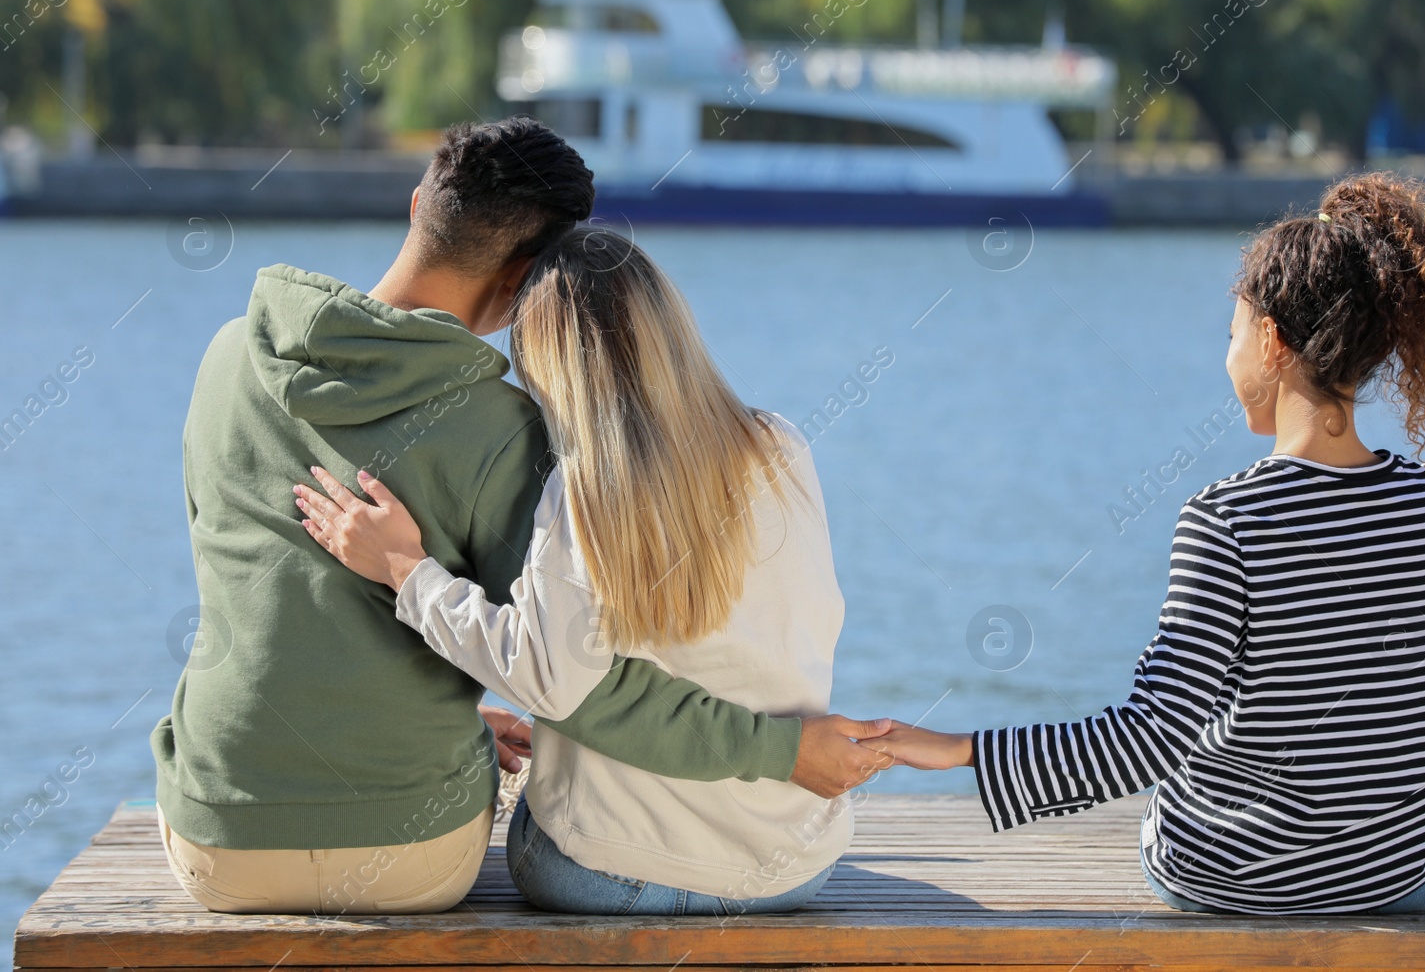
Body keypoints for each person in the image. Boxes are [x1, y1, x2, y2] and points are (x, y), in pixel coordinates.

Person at [154, 118, 887, 916]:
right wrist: (781, 752)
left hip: (217, 842)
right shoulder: (506, 433)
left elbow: (257, 595)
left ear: (415, 206)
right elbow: (581, 689)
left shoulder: (229, 359)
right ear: (524, 284)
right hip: (413, 856)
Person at [865, 172, 1425, 915]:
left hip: (1241, 877)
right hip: (1404, 869)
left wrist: (953, 748)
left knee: (1178, 800)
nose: (1228, 358)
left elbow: (1153, 738)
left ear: (1271, 341)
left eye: (1231, 336)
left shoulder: (1225, 520)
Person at [298, 226, 856, 916]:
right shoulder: (780, 445)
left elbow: (547, 680)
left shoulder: (585, 489)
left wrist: (406, 569)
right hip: (794, 868)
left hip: (610, 874)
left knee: (529, 808)